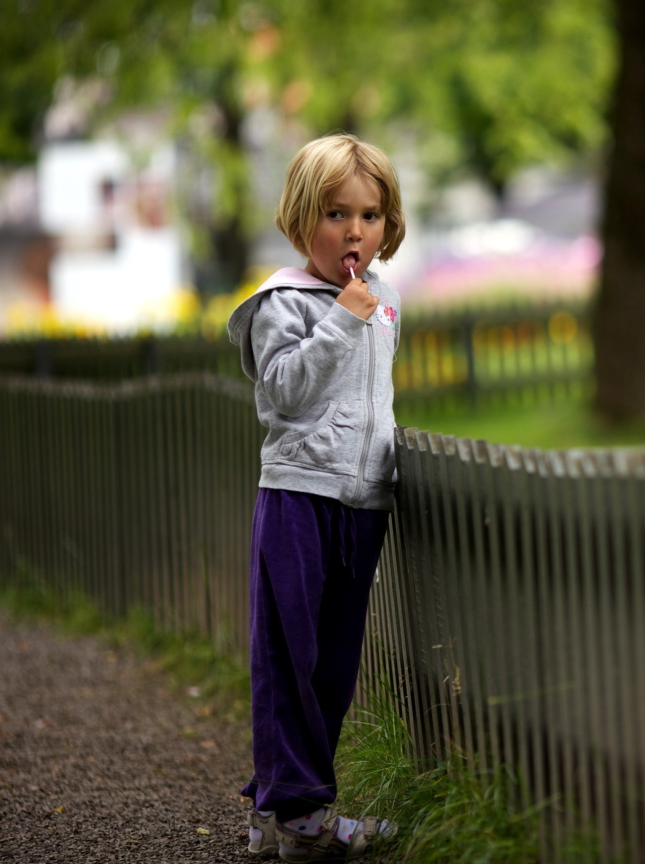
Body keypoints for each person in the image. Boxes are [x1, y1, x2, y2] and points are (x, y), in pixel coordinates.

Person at [226, 132, 405, 861]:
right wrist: (340, 320)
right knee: (287, 653)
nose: (354, 230)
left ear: (388, 225)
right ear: (302, 220)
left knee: (334, 661)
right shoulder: (286, 303)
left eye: (370, 215)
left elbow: (373, 397)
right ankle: (298, 816)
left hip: (361, 503)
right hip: (300, 495)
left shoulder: (385, 300)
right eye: (335, 214)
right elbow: (282, 395)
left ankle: (289, 808)